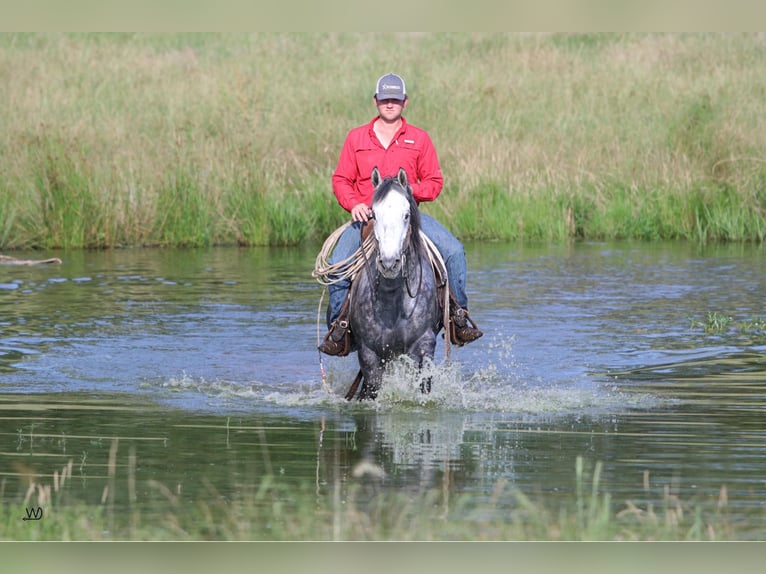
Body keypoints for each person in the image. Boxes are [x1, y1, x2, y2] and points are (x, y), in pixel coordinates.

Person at [318, 73, 482, 356]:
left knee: (454, 252)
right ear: (375, 101)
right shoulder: (356, 137)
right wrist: (354, 204)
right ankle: (339, 328)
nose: (389, 104)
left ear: (405, 102)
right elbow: (340, 179)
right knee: (337, 264)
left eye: (395, 99)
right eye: (384, 99)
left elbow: (435, 181)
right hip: (367, 219)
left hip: (408, 219)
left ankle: (458, 316)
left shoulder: (419, 138)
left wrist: (407, 196)